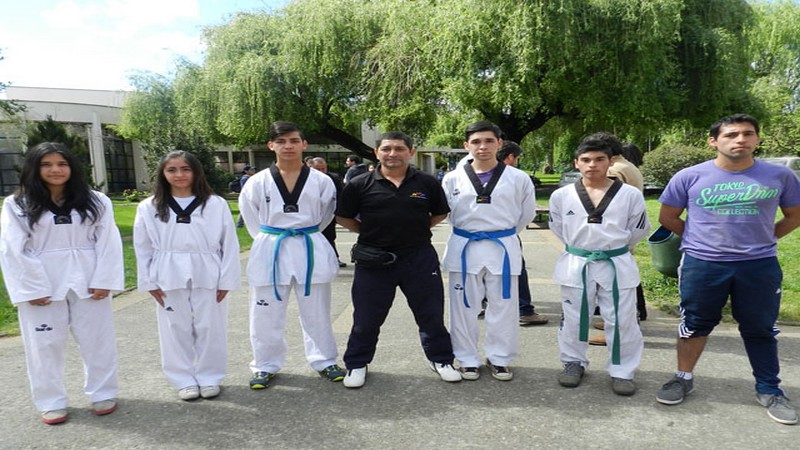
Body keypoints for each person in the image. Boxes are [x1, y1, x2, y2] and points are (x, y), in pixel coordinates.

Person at [655, 114, 800, 425]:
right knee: (694, 323)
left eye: (748, 134)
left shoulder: (780, 176)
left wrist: (765, 237)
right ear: (713, 141)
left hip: (758, 265)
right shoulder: (690, 176)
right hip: (703, 264)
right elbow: (668, 217)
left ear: (757, 139)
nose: (740, 140)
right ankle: (683, 377)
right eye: (731, 134)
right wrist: (699, 239)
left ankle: (770, 389)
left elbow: (794, 215)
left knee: (760, 328)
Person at [0, 142, 124, 425]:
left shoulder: (96, 201)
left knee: (98, 340)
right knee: (44, 345)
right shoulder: (16, 204)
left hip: (89, 281)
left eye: (62, 164)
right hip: (42, 283)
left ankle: (102, 392)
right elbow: (12, 248)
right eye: (47, 165)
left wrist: (104, 279)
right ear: (34, 168)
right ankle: (51, 400)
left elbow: (108, 243)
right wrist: (32, 287)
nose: (55, 170)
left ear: (72, 168)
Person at [336, 131, 460, 388]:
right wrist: (369, 232)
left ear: (411, 152)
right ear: (377, 153)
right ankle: (357, 364)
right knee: (366, 318)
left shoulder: (426, 182)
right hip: (374, 260)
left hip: (419, 257)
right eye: (387, 149)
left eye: (400, 149)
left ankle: (441, 359)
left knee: (431, 314)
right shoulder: (360, 183)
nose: (393, 154)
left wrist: (414, 228)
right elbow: (344, 217)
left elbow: (439, 213)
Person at [239, 121, 345, 389]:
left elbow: (325, 216)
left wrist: (303, 234)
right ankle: (264, 365)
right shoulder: (256, 182)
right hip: (271, 248)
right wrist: (270, 237)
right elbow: (252, 220)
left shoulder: (322, 181)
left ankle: (324, 360)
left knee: (317, 311)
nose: (288, 146)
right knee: (265, 314)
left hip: (309, 245)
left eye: (294, 141)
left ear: (304, 145)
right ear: (271, 145)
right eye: (282, 141)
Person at [133, 151, 241, 401]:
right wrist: (149, 281)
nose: (179, 175)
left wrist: (227, 279)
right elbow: (143, 247)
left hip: (209, 270)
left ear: (196, 172)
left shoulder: (215, 204)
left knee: (210, 326)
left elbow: (229, 244)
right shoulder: (149, 207)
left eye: (185, 169)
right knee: (174, 328)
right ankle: (182, 379)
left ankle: (210, 376)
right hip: (166, 271)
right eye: (172, 170)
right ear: (162, 173)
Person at [549, 139, 650, 395]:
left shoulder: (630, 195)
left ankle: (622, 370)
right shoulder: (562, 195)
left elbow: (638, 230)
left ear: (610, 161)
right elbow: (558, 228)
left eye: (598, 159)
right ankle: (573, 363)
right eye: (585, 160)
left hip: (615, 262)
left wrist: (612, 248)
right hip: (578, 262)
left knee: (621, 318)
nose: (592, 165)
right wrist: (583, 247)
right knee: (574, 317)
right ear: (576, 163)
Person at [441, 121, 536, 381]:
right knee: (462, 308)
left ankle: (500, 358)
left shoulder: (519, 178)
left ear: (499, 143)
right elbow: (448, 214)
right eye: (475, 142)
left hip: (502, 247)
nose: (482, 147)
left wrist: (500, 232)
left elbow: (525, 216)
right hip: (465, 246)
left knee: (503, 307)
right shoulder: (452, 178)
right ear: (466, 146)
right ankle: (467, 359)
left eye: (488, 141)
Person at [584, 133, 647, 347]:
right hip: (623, 235)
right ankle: (631, 318)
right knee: (625, 283)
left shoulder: (614, 172)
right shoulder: (628, 165)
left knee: (615, 289)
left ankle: (619, 327)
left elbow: (607, 204)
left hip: (612, 237)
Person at [493, 141, 548, 326]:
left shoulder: (479, 173)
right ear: (510, 157)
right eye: (516, 158)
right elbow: (528, 212)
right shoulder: (516, 177)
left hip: (488, 234)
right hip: (505, 234)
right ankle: (524, 309)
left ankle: (485, 303)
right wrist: (512, 232)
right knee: (517, 270)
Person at [311, 156, 347, 267]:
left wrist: (338, 212)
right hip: (311, 214)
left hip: (328, 212)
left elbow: (340, 195)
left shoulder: (333, 178)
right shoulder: (306, 179)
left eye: (323, 169)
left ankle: (334, 257)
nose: (322, 172)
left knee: (330, 236)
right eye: (318, 169)